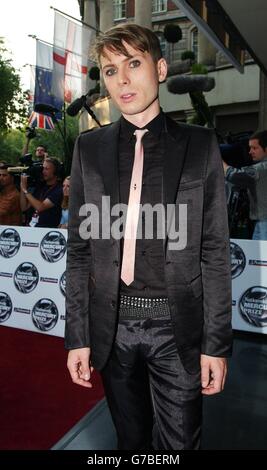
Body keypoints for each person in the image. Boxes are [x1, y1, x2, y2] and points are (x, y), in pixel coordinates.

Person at [65, 23, 232, 450]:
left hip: (177, 328)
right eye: (110, 70)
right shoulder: (88, 149)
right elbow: (80, 251)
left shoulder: (200, 145)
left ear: (159, 68)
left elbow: (214, 250)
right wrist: (78, 336)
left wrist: (216, 344)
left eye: (133, 64)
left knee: (180, 445)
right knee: (130, 442)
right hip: (112, 325)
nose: (122, 79)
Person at [223, 130, 267, 240]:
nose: (250, 152)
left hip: (264, 224)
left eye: (254, 148)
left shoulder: (262, 169)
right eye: (249, 148)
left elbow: (234, 176)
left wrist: (218, 160)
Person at [20, 157, 63, 228]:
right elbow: (24, 207)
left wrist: (25, 190)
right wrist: (22, 186)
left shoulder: (59, 190)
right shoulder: (40, 186)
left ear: (56, 171)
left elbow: (40, 207)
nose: (43, 171)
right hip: (32, 228)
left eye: (47, 169)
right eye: (43, 168)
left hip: (46, 231)